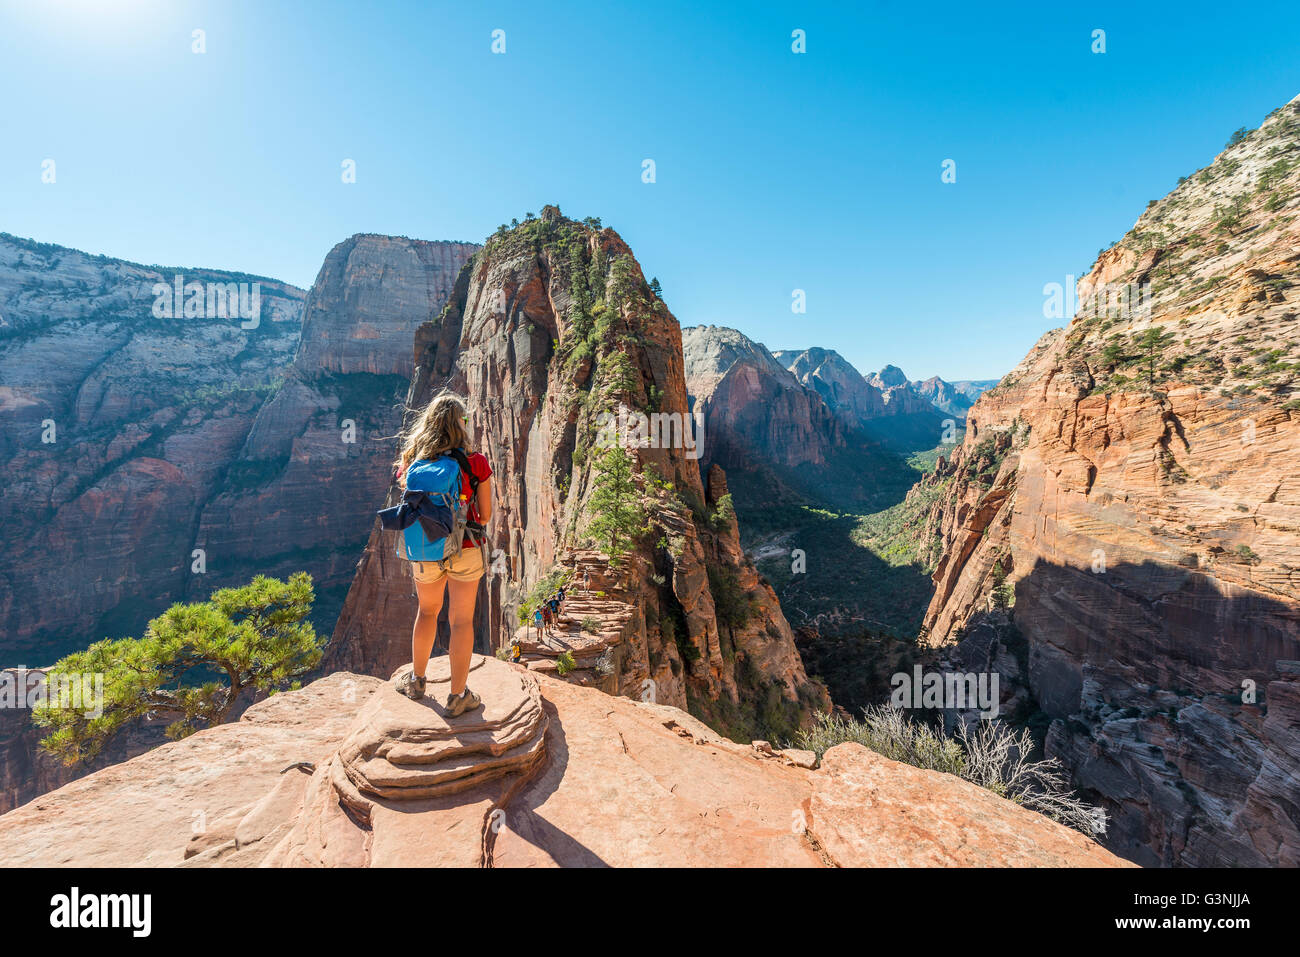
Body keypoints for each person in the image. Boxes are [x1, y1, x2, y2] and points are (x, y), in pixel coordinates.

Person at [392, 394, 493, 717]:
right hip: (465, 550)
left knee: (427, 612)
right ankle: (457, 696)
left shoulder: (412, 462)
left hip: (426, 551)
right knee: (461, 620)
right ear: (461, 425)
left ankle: (417, 681)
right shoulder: (476, 462)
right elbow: (486, 515)